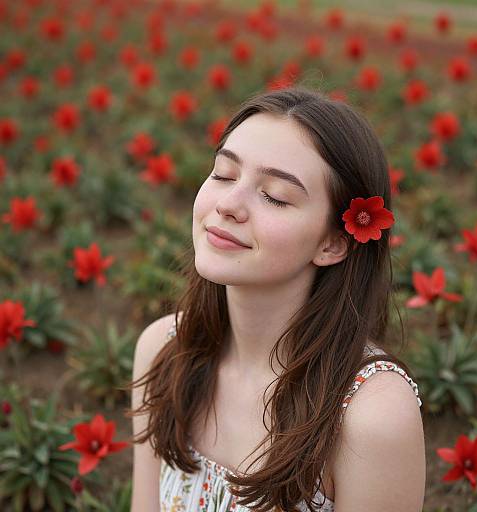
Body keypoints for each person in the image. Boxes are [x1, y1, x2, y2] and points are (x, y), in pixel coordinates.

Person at [127, 85, 425, 512]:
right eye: (224, 174)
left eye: (275, 196)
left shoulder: (369, 415)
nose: (229, 204)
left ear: (333, 244)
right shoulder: (163, 351)